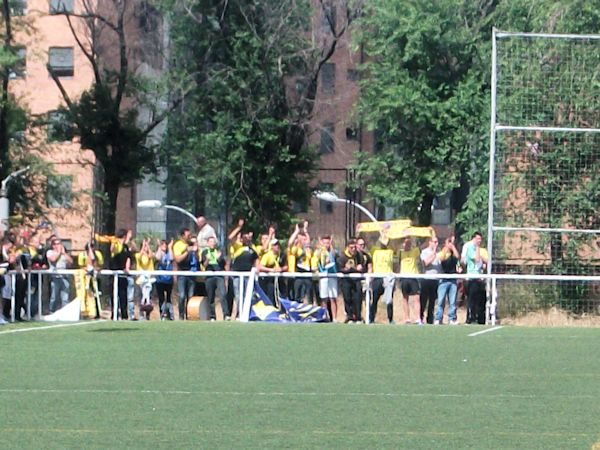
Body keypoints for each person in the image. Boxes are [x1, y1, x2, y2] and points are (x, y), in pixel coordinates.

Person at [228, 219, 259, 319]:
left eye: (248, 236)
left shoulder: (253, 248)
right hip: (237, 275)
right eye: (245, 237)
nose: (247, 238)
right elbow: (230, 237)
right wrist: (239, 227)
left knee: (249, 295)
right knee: (238, 295)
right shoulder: (238, 246)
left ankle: (248, 314)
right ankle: (240, 314)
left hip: (248, 275)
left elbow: (256, 258)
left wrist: (257, 268)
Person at [462, 231, 488, 324]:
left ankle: (480, 319)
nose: (479, 241)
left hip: (480, 278)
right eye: (477, 239)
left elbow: (486, 261)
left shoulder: (480, 250)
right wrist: (477, 248)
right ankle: (471, 318)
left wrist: (481, 256)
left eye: (480, 239)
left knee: (481, 300)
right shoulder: (470, 249)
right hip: (472, 278)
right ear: (473, 239)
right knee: (472, 300)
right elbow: (477, 259)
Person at [434, 235, 462, 325]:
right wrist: (446, 248)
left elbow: (458, 257)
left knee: (452, 301)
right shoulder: (443, 252)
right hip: (443, 280)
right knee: (441, 300)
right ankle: (438, 318)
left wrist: (452, 247)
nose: (450, 244)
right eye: (449, 242)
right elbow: (441, 258)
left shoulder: (454, 254)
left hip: (453, 280)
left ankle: (452, 318)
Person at [201, 236, 229, 320]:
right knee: (211, 296)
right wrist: (207, 260)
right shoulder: (205, 252)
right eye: (210, 242)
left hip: (219, 275)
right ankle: (212, 316)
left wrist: (219, 258)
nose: (212, 243)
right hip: (209, 276)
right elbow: (204, 265)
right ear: (208, 243)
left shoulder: (219, 252)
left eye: (213, 242)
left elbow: (224, 264)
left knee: (223, 294)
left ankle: (226, 315)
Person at [173, 228, 198, 320]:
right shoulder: (178, 245)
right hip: (182, 273)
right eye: (188, 235)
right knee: (182, 295)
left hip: (192, 273)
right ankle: (181, 315)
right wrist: (188, 251)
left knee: (191, 296)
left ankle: (189, 316)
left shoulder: (192, 244)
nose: (189, 237)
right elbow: (178, 259)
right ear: (183, 236)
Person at [369, 236, 395, 324]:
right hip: (377, 277)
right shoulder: (374, 250)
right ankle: (371, 318)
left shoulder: (390, 251)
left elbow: (395, 246)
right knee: (375, 299)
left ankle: (390, 319)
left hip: (388, 277)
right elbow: (368, 243)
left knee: (389, 299)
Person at [337, 238, 363, 323]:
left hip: (356, 280)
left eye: (355, 247)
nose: (353, 249)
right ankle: (350, 316)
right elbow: (340, 269)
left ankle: (358, 317)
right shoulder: (342, 256)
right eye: (351, 248)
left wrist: (360, 268)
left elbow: (361, 267)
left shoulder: (358, 255)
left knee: (358, 298)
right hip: (346, 281)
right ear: (348, 247)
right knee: (347, 298)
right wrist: (346, 269)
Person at [77, 239, 105, 319]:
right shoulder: (82, 255)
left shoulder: (98, 254)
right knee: (85, 294)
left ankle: (97, 312)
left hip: (95, 277)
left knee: (96, 294)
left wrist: (95, 269)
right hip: (85, 278)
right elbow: (81, 266)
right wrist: (88, 269)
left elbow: (100, 264)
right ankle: (85, 312)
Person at [398, 236, 422, 324]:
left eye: (409, 243)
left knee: (417, 297)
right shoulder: (400, 253)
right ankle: (407, 318)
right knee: (405, 298)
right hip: (404, 278)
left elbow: (423, 246)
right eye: (405, 243)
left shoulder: (414, 251)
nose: (407, 245)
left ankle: (417, 318)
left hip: (413, 277)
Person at [46, 237, 73, 313]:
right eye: (56, 244)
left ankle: (65, 312)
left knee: (65, 297)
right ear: (53, 245)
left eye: (59, 243)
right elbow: (53, 259)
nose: (58, 245)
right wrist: (59, 252)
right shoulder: (50, 252)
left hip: (64, 277)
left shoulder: (63, 254)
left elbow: (71, 261)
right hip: (55, 277)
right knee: (54, 296)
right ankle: (51, 311)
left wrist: (64, 253)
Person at [109, 229, 132, 320]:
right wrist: (113, 244)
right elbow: (113, 250)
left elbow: (128, 258)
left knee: (123, 296)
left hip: (122, 276)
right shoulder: (116, 244)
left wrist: (127, 268)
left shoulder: (126, 246)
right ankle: (113, 315)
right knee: (114, 296)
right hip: (114, 275)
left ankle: (124, 316)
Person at [315, 235, 338, 322]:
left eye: (328, 243)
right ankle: (324, 316)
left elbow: (335, 254)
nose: (326, 245)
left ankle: (335, 318)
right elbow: (315, 257)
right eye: (324, 243)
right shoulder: (319, 252)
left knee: (333, 298)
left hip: (332, 276)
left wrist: (331, 246)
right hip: (323, 276)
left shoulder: (333, 251)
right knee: (324, 298)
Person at [419, 236, 442, 324]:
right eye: (434, 242)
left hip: (435, 280)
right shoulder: (425, 252)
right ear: (430, 242)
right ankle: (420, 318)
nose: (436, 244)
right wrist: (434, 254)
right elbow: (425, 263)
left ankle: (430, 319)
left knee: (433, 301)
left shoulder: (439, 253)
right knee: (423, 301)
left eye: (437, 242)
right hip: (426, 279)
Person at [135, 238, 155, 320]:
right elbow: (140, 258)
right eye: (145, 246)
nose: (146, 248)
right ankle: (141, 315)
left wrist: (148, 246)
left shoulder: (149, 256)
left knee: (148, 299)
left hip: (149, 280)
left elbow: (151, 256)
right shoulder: (137, 255)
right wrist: (143, 246)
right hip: (141, 281)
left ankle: (147, 315)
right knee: (141, 299)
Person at [155, 239, 174, 320]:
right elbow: (158, 258)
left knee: (169, 298)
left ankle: (170, 315)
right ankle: (162, 314)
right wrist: (159, 247)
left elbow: (172, 258)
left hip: (169, 279)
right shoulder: (159, 252)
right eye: (162, 245)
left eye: (165, 245)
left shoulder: (168, 253)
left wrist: (170, 247)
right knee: (161, 298)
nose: (164, 246)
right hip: (160, 279)